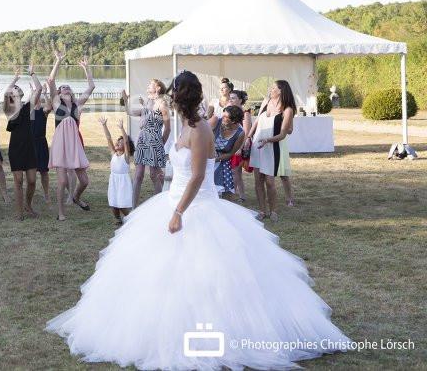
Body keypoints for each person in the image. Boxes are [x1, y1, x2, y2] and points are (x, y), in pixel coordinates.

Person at [45, 71, 351, 369]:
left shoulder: (202, 128)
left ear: (180, 97)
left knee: (208, 273)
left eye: (172, 94)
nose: (169, 99)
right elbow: (181, 169)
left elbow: (199, 176)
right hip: (171, 200)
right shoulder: (185, 125)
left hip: (197, 206)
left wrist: (178, 212)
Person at [48, 51, 95, 220]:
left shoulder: (77, 103)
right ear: (59, 93)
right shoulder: (55, 102)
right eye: (62, 87)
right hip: (61, 144)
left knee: (84, 181)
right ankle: (61, 213)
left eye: (68, 86)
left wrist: (86, 68)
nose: (65, 88)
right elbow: (51, 81)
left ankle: (75, 197)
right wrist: (58, 61)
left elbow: (91, 86)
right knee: (61, 181)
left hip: (74, 144)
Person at [248, 80, 296, 221]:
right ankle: (262, 211)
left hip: (271, 146)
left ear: (281, 91)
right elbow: (256, 121)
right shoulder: (266, 101)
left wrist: (268, 140)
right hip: (257, 145)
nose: (271, 89)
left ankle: (273, 211)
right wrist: (248, 137)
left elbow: (283, 134)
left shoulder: (287, 110)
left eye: (274, 87)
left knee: (269, 181)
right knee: (258, 181)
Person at [122, 78, 170, 207]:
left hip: (155, 141)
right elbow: (129, 112)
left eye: (150, 85)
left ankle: (158, 207)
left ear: (158, 88)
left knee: (155, 175)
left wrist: (160, 144)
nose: (147, 86)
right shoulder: (148, 103)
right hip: (142, 140)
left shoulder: (162, 104)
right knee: (138, 175)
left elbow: (168, 128)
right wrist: (126, 100)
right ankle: (133, 208)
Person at [3, 67, 43, 220]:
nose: (15, 90)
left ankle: (28, 204)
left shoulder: (28, 107)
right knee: (18, 181)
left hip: (29, 147)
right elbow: (6, 93)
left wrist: (32, 72)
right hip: (16, 148)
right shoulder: (9, 109)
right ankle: (19, 213)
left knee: (32, 181)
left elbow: (38, 88)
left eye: (17, 89)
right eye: (13, 90)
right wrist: (14, 79)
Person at [98, 117, 134, 226]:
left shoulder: (126, 157)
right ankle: (118, 219)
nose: (118, 142)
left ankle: (131, 218)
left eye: (120, 142)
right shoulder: (113, 154)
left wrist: (122, 129)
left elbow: (127, 142)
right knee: (113, 203)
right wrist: (104, 125)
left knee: (122, 204)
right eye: (118, 141)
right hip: (113, 180)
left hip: (123, 182)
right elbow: (109, 138)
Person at [213, 105, 246, 198]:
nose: (222, 117)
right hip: (206, 156)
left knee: (224, 194)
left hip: (222, 161)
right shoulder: (216, 122)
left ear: (234, 121)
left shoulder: (240, 133)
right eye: (223, 115)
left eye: (225, 117)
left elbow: (231, 153)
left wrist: (216, 159)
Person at [32, 81, 53, 202]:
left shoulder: (42, 112)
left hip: (41, 143)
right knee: (31, 171)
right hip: (30, 144)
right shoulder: (28, 112)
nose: (37, 99)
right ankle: (31, 192)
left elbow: (49, 107)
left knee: (44, 171)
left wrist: (45, 93)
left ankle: (46, 194)